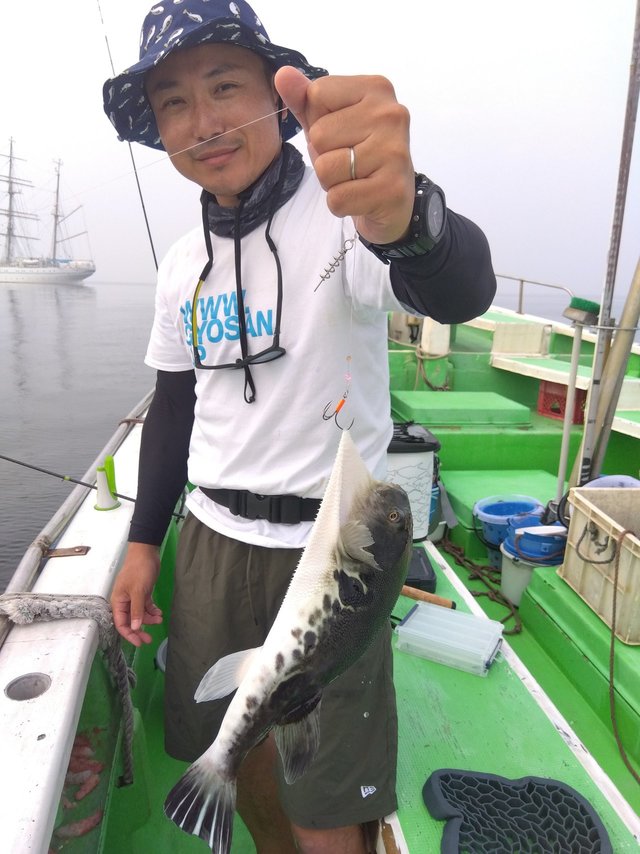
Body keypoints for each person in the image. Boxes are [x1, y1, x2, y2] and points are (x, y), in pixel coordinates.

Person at [103, 1, 496, 851]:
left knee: (327, 793)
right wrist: (142, 544)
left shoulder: (346, 214)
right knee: (238, 750)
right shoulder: (181, 263)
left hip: (335, 557)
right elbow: (174, 406)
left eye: (224, 87)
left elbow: (460, 289)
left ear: (276, 100)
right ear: (158, 130)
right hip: (210, 542)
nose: (202, 122)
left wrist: (411, 217)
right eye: (174, 102)